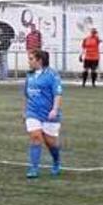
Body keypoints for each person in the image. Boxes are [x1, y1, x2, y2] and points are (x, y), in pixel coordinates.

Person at [24, 49, 63, 179]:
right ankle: (34, 168)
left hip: (49, 114)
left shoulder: (52, 75)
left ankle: (56, 161)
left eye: (31, 59)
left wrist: (55, 109)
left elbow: (57, 93)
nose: (29, 61)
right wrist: (26, 111)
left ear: (39, 60)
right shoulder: (29, 75)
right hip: (33, 112)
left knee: (51, 143)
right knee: (36, 137)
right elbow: (27, 94)